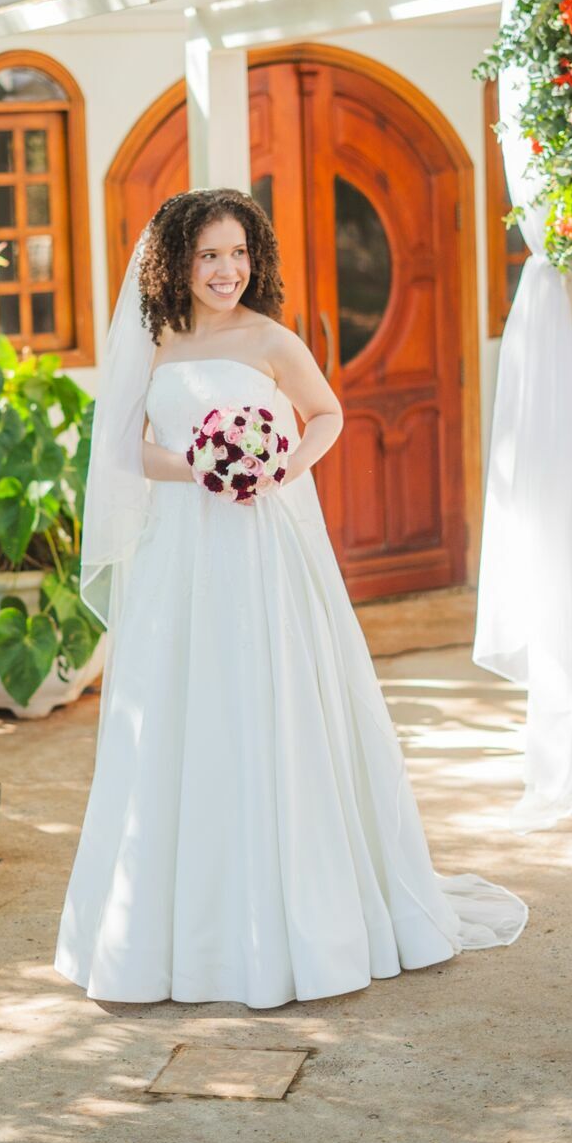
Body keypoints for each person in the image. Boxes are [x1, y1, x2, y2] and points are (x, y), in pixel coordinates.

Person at [53, 188, 527, 1008]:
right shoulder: (153, 341)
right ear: (177, 262)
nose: (225, 270)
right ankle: (172, 931)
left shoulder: (271, 339)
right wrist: (200, 464)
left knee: (271, 705)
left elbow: (327, 415)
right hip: (179, 556)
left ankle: (297, 918)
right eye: (208, 256)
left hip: (260, 549)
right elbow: (123, 448)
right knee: (178, 712)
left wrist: (275, 467)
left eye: (237, 253)